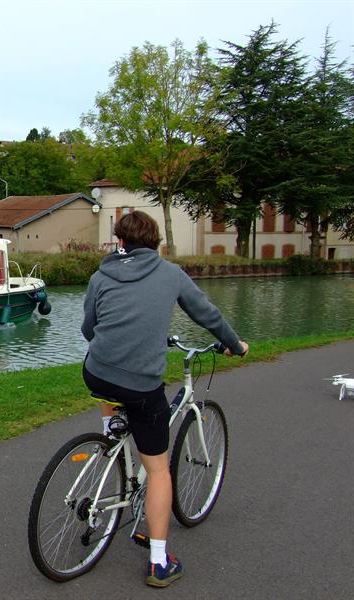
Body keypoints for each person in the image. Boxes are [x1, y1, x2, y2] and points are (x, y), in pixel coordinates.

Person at [81, 211, 249, 588]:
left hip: (97, 372)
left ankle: (109, 431)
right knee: (158, 469)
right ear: (156, 243)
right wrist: (235, 345)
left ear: (119, 242)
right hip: (141, 385)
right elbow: (208, 315)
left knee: (105, 376)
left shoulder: (99, 276)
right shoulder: (171, 274)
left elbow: (88, 328)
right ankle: (159, 561)